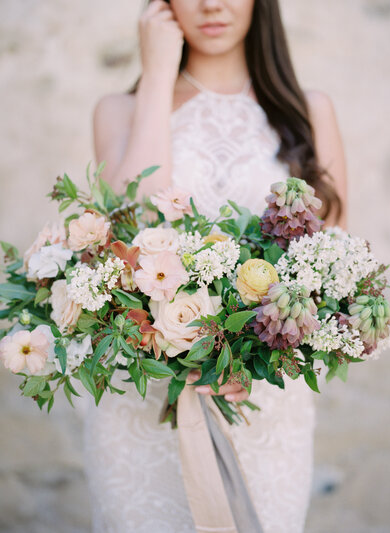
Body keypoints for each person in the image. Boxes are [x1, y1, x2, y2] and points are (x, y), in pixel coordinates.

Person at [83, 1, 347, 532]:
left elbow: (331, 268)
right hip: (145, 396)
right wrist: (158, 74)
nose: (211, 4)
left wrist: (254, 360)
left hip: (263, 400)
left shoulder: (308, 109)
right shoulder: (117, 109)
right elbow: (130, 225)